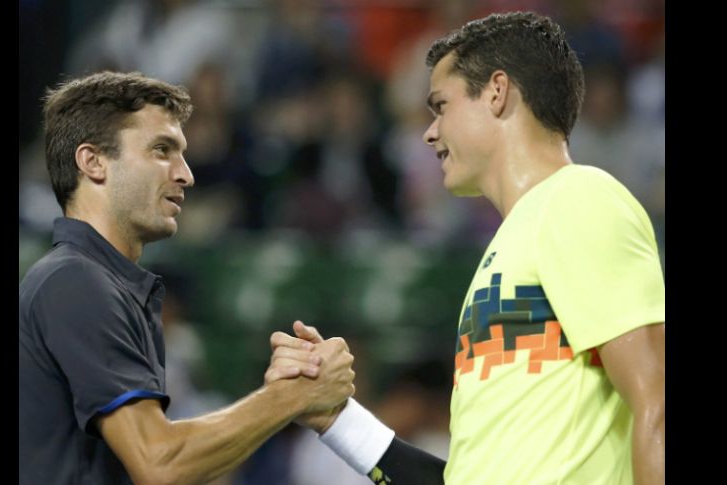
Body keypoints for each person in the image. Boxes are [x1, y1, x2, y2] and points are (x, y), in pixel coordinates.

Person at [267, 11, 665, 485]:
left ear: (497, 92)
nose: (429, 131)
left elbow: (658, 403)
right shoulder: (513, 245)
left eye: (441, 106)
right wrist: (336, 419)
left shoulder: (579, 199)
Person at [18, 71, 356, 485]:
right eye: (162, 150)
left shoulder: (96, 281)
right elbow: (160, 463)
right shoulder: (77, 281)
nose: (186, 174)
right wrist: (292, 396)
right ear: (93, 162)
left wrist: (287, 397)